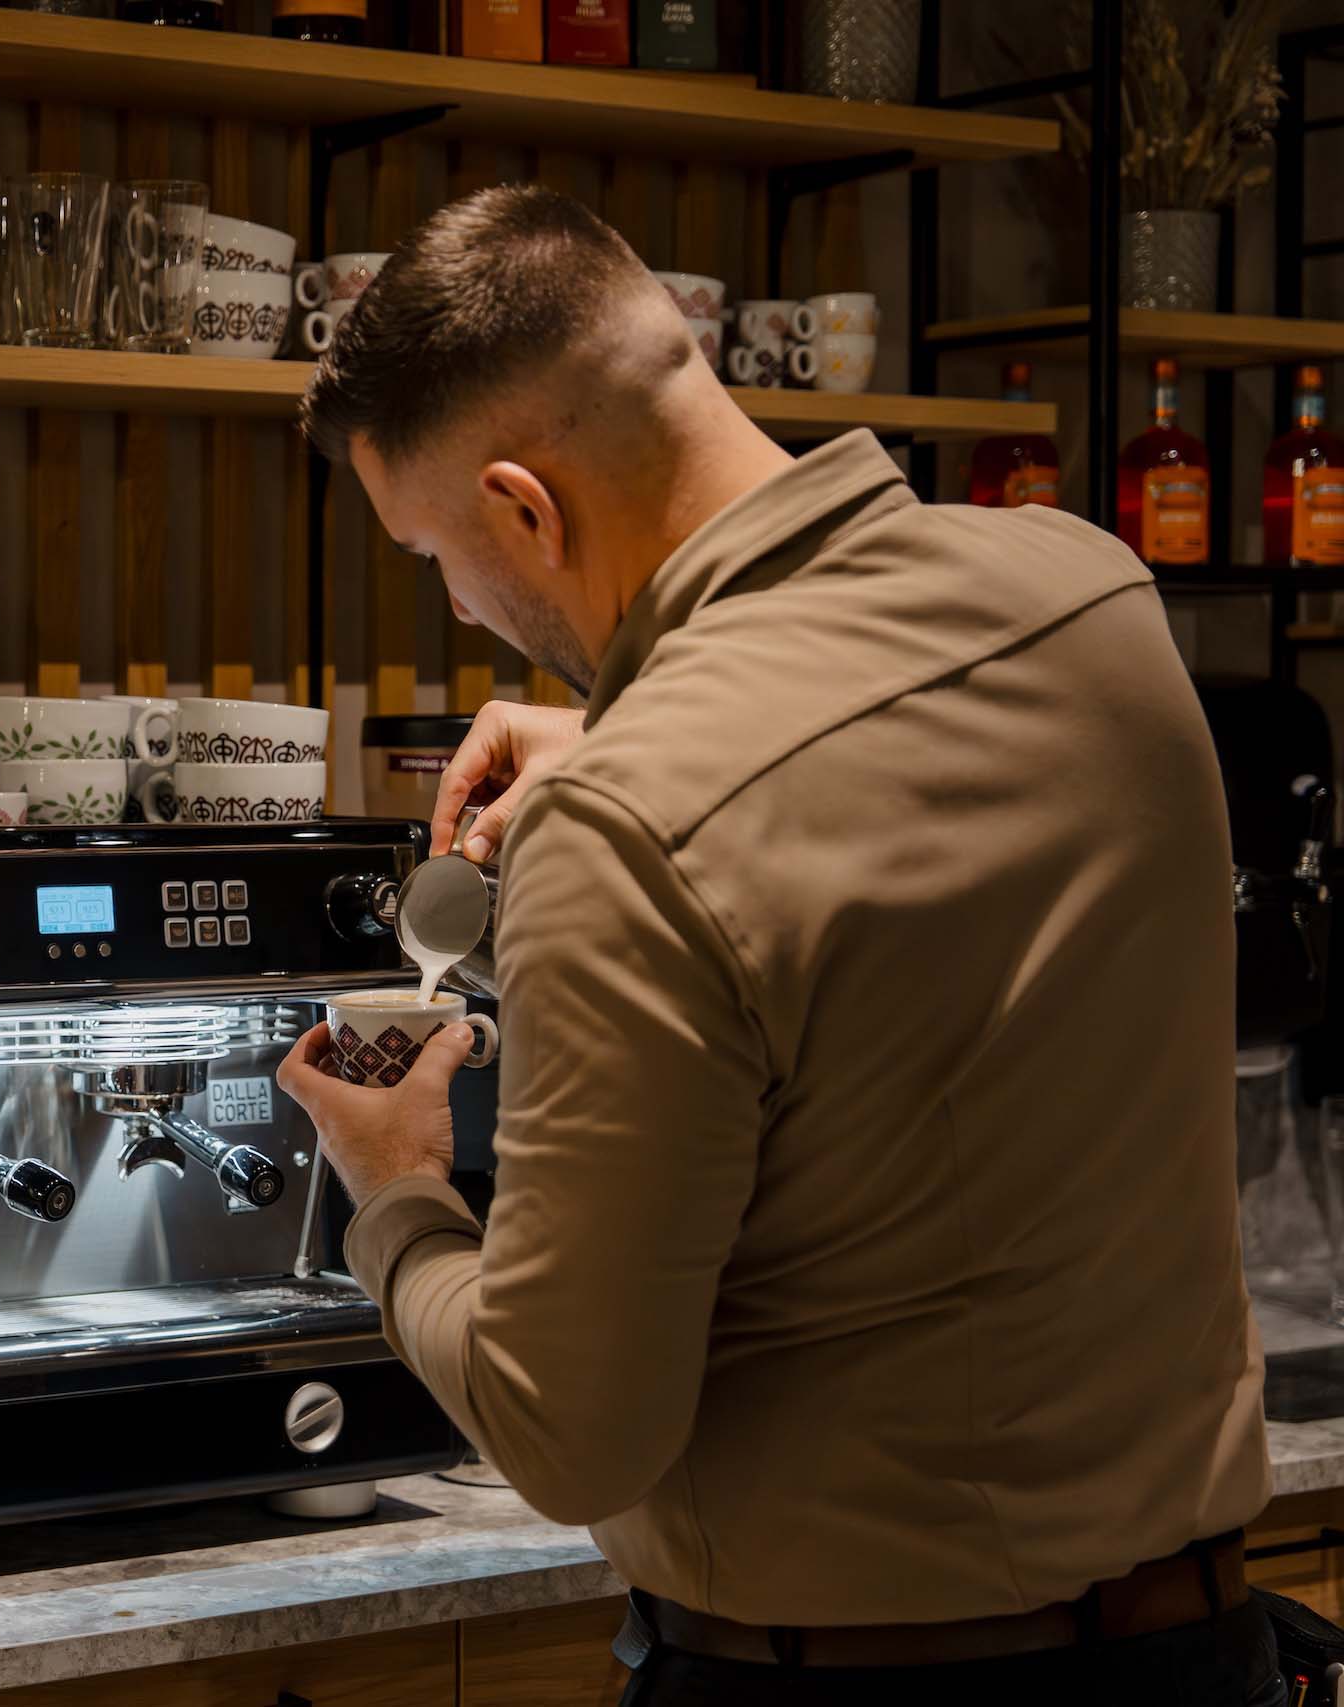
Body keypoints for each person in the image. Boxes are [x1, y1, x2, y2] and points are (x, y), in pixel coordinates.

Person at [275, 185, 1279, 1706]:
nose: (466, 603)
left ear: (525, 509)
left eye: (437, 554)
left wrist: (397, 1191)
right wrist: (630, 724)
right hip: (1206, 1657)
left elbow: (568, 1431)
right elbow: (844, 753)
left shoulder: (632, 824)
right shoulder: (1092, 595)